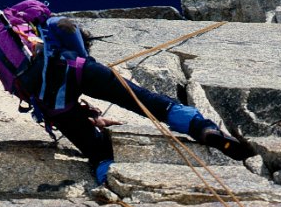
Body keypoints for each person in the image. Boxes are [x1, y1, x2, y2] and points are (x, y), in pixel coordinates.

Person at [29, 14, 254, 184]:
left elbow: (64, 105)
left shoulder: (28, 70)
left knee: (96, 151)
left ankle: (107, 176)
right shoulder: (53, 44)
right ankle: (202, 128)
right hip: (85, 70)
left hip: (54, 106)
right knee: (150, 102)